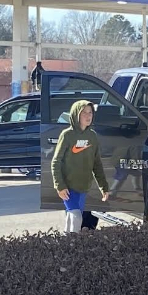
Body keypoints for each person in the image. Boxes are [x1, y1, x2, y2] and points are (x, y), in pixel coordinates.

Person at [51, 98, 110, 233]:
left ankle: (66, 242)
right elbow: (56, 162)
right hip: (68, 188)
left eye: (90, 112)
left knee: (72, 217)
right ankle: (74, 244)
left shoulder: (92, 136)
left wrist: (104, 187)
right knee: (77, 216)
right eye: (84, 112)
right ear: (76, 114)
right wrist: (60, 185)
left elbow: (97, 164)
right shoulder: (67, 135)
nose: (88, 116)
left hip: (83, 187)